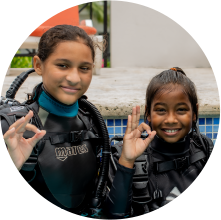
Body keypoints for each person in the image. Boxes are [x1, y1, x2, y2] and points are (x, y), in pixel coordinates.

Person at [0, 24, 109, 217]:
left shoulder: (92, 122)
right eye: (63, 65)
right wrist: (12, 171)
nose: (74, 78)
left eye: (84, 68)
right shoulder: (14, 130)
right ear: (38, 65)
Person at [105, 67, 214, 218]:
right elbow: (114, 215)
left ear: (194, 112)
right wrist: (127, 162)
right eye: (161, 110)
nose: (170, 120)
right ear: (148, 113)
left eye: (181, 110)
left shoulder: (208, 152)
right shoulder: (122, 157)